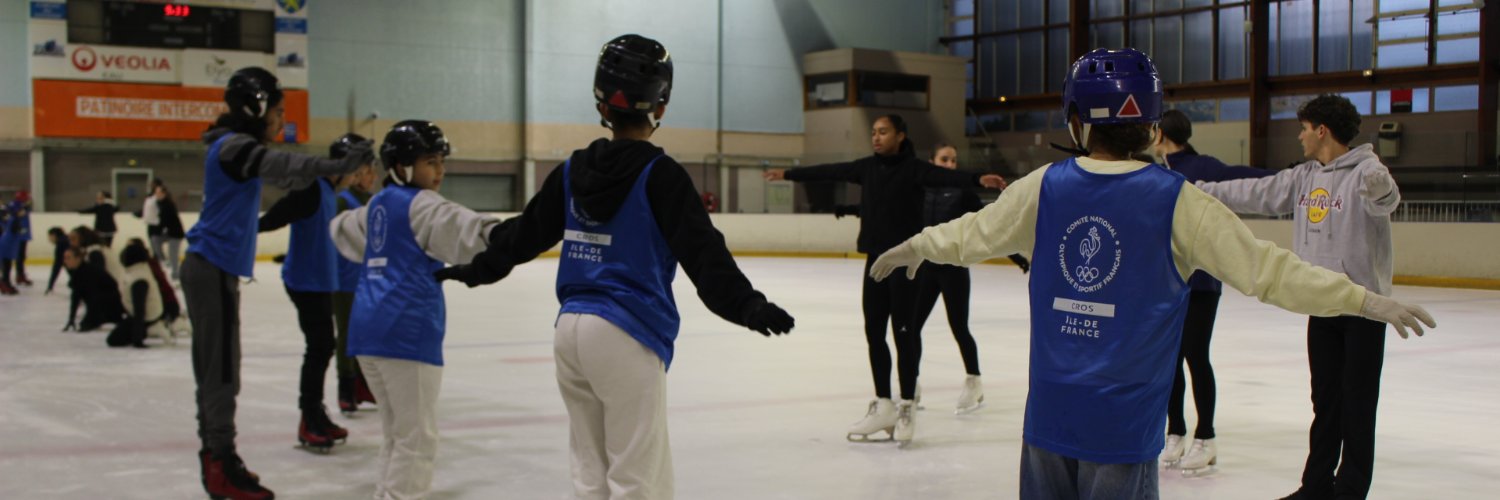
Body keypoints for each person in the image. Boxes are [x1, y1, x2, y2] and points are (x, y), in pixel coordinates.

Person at [867, 48, 1435, 500]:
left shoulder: (1043, 187)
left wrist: (918, 245)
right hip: (1122, 431)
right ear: (1151, 122)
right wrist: (1363, 300)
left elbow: (971, 234)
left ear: (1076, 119)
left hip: (1049, 423)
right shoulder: (1180, 202)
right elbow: (1270, 272)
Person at [438, 34, 796, 499]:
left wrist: (477, 268)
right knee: (636, 477)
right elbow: (703, 252)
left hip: (570, 331)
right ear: (660, 106)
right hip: (626, 332)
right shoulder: (660, 175)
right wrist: (748, 305)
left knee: (590, 472)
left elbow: (524, 235)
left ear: (602, 103)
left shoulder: (571, 171)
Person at [1195, 94, 1405, 500]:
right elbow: (1255, 192)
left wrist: (1383, 191)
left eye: (1304, 128)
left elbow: (1386, 201)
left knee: (1358, 404)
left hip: (1364, 308)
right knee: (1324, 401)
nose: (1300, 136)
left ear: (1321, 130)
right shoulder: (1303, 177)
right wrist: (1199, 192)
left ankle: (1350, 490)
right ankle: (1316, 485)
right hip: (1321, 303)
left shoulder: (1367, 170)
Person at [183, 66, 371, 500]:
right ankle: (220, 463)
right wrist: (336, 165)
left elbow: (285, 171)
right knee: (220, 373)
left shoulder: (234, 147)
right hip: (210, 269)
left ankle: (219, 458)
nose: (282, 120)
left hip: (214, 270)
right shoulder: (233, 147)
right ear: (257, 107)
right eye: (280, 111)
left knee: (220, 371)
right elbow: (284, 166)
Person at [764, 114, 1005, 445]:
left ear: (900, 136)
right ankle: (884, 403)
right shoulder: (866, 168)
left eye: (883, 132)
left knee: (904, 334)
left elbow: (944, 176)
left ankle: (906, 405)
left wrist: (978, 178)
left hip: (904, 265)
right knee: (874, 333)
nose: (876, 137)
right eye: (874, 132)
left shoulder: (914, 169)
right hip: (875, 263)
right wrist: (789, 174)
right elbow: (830, 170)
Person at [330, 120, 503, 499]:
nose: (440, 171)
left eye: (442, 161)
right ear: (402, 166)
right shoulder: (421, 204)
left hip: (367, 331)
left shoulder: (377, 204)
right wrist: (508, 234)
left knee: (396, 435)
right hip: (405, 332)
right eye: (430, 162)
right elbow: (464, 228)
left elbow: (341, 229)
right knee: (417, 440)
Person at [1150, 109, 1278, 474]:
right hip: (1168, 282)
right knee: (1169, 359)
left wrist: (1288, 176)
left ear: (1162, 135)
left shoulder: (1203, 167)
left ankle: (1205, 436)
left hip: (1202, 282)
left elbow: (1244, 175)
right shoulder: (1156, 172)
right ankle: (1175, 431)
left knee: (1195, 355)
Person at [256, 138, 372, 452]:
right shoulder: (312, 189)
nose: (356, 175)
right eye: (355, 169)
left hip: (319, 281)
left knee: (322, 348)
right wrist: (244, 230)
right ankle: (310, 417)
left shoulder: (327, 192)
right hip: (306, 282)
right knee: (319, 348)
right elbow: (277, 216)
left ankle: (315, 413)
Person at [328, 133, 379, 415]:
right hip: (345, 280)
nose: (373, 176)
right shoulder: (343, 201)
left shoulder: (372, 201)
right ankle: (345, 388)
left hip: (368, 279)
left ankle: (361, 384)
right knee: (347, 334)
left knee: (365, 333)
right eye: (368, 171)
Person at [61, 247, 125, 333]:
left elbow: (94, 297)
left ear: (78, 258)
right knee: (84, 325)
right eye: (64, 258)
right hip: (103, 304)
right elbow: (76, 296)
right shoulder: (78, 272)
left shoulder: (88, 272)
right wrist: (71, 318)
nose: (65, 261)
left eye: (68, 258)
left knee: (85, 325)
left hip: (108, 305)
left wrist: (91, 319)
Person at [153, 183, 187, 280]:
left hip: (176, 234)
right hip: (169, 232)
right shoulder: (160, 203)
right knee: (155, 239)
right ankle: (163, 260)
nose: (156, 194)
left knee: (173, 254)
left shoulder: (168, 205)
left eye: (158, 192)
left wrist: (158, 228)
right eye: (156, 192)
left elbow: (164, 220)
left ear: (163, 193)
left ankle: (176, 274)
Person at [7, 190, 33, 286]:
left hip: (23, 234)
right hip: (18, 235)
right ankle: (18, 275)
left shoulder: (23, 205)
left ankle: (20, 274)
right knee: (18, 256)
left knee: (21, 256)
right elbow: (17, 214)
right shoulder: (15, 204)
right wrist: (25, 207)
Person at [44, 227, 70, 295]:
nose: (49, 239)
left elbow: (57, 266)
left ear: (54, 235)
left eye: (50, 237)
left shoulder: (61, 243)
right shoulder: (65, 239)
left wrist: (50, 286)